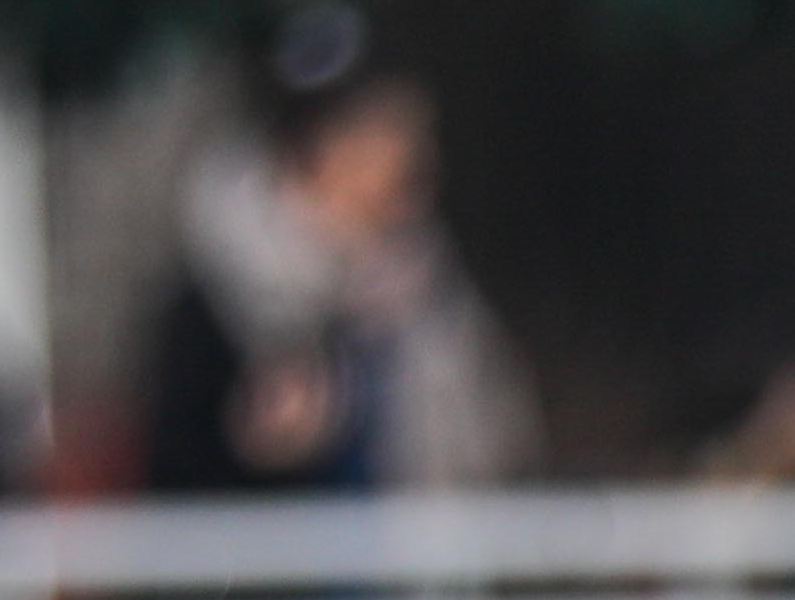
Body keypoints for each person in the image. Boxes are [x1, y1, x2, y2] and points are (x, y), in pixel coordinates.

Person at [143, 48, 533, 498]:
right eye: (392, 133)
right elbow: (185, 479)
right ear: (321, 150)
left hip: (421, 556)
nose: (422, 158)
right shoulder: (216, 298)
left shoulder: (425, 284)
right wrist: (266, 447)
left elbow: (496, 436)